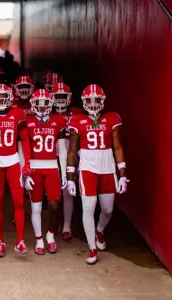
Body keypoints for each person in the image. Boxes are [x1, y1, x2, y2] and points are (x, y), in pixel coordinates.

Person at [67, 84, 129, 264]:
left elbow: (117, 146)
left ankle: (99, 230)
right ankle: (92, 249)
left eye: (96, 100)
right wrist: (70, 178)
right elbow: (72, 150)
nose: (93, 104)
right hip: (87, 166)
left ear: (103, 101)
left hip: (107, 166)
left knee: (108, 210)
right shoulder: (77, 120)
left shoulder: (112, 118)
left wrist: (122, 173)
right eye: (89, 100)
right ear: (83, 102)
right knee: (89, 206)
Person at [0, 84, 31, 258]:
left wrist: (27, 163)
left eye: (4, 97)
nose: (1, 101)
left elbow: (24, 140)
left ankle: (20, 240)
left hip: (13, 160)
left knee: (18, 202)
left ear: (10, 98)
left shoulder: (18, 114)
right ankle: (0, 241)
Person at [24, 89, 67, 255]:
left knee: (54, 205)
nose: (41, 108)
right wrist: (25, 172)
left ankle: (50, 235)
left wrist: (63, 173)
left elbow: (62, 149)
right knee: (35, 207)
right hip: (34, 166)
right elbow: (23, 148)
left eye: (45, 104)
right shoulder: (27, 121)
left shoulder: (58, 120)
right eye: (38, 104)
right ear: (33, 105)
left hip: (51, 166)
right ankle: (39, 239)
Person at [50, 82, 82, 241]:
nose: (61, 100)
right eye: (58, 97)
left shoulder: (77, 114)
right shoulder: (47, 113)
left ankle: (67, 224)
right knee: (54, 190)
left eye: (64, 96)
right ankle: (54, 221)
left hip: (71, 154)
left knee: (68, 189)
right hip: (51, 154)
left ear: (69, 98)